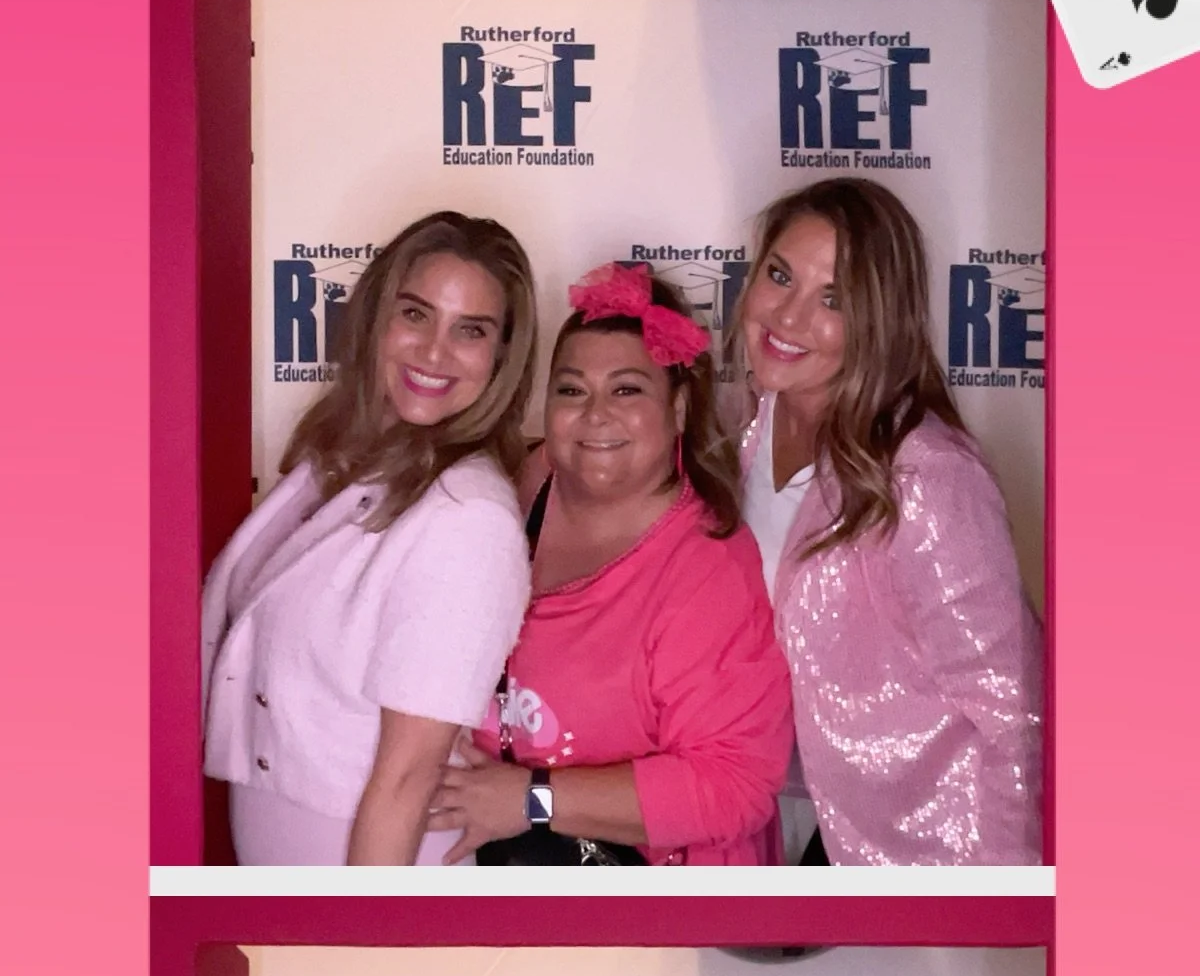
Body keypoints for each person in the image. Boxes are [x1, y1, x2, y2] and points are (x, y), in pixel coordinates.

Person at [426, 264, 794, 868]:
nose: (595, 415)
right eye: (572, 391)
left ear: (679, 408)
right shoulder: (528, 485)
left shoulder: (709, 569)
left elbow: (735, 786)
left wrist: (530, 799)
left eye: (627, 390)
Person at [201, 213, 536, 865]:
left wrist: (362, 919)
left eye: (470, 330)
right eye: (416, 314)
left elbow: (408, 777)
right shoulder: (339, 458)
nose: (434, 352)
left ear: (500, 358)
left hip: (362, 863)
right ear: (376, 318)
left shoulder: (468, 518)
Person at [736, 181, 1043, 865]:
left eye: (833, 299)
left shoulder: (927, 476)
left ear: (878, 321)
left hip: (918, 852)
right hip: (773, 822)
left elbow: (1013, 711)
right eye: (779, 275)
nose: (788, 315)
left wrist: (1003, 897)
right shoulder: (747, 422)